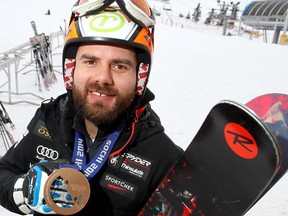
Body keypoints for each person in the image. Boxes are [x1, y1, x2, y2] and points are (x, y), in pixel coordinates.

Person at [0, 0, 183, 215]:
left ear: (138, 78)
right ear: (72, 69)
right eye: (90, 61)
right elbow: (5, 171)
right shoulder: (49, 119)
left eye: (120, 66)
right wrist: (24, 189)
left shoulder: (164, 158)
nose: (103, 78)